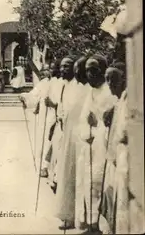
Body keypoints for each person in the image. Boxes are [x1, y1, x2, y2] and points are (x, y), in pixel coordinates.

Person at [77, 55, 118, 234]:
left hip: (105, 148)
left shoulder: (110, 92)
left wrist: (98, 123)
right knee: (89, 184)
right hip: (90, 145)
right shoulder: (90, 91)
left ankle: (101, 226)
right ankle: (91, 224)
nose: (89, 74)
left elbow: (114, 123)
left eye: (93, 70)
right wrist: (87, 132)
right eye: (87, 70)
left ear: (102, 71)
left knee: (101, 184)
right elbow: (84, 118)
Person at [54, 56, 91, 230]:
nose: (76, 72)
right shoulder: (68, 87)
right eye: (73, 68)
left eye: (78, 68)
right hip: (70, 139)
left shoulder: (91, 88)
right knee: (68, 175)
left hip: (87, 140)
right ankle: (68, 216)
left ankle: (88, 220)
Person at [99, 65, 126, 233]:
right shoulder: (117, 102)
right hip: (112, 158)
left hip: (122, 159)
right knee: (109, 195)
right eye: (107, 79)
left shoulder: (127, 100)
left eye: (113, 79)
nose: (109, 84)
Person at [19, 68, 51, 177]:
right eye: (41, 74)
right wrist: (25, 98)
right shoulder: (44, 83)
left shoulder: (55, 82)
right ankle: (44, 166)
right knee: (45, 139)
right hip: (46, 116)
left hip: (56, 115)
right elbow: (33, 96)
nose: (43, 76)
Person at [44, 58, 65, 189]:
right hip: (53, 116)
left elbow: (58, 103)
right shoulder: (51, 81)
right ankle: (50, 172)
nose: (50, 71)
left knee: (57, 147)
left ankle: (55, 176)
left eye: (52, 68)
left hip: (58, 117)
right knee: (53, 145)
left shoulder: (61, 82)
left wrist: (51, 103)